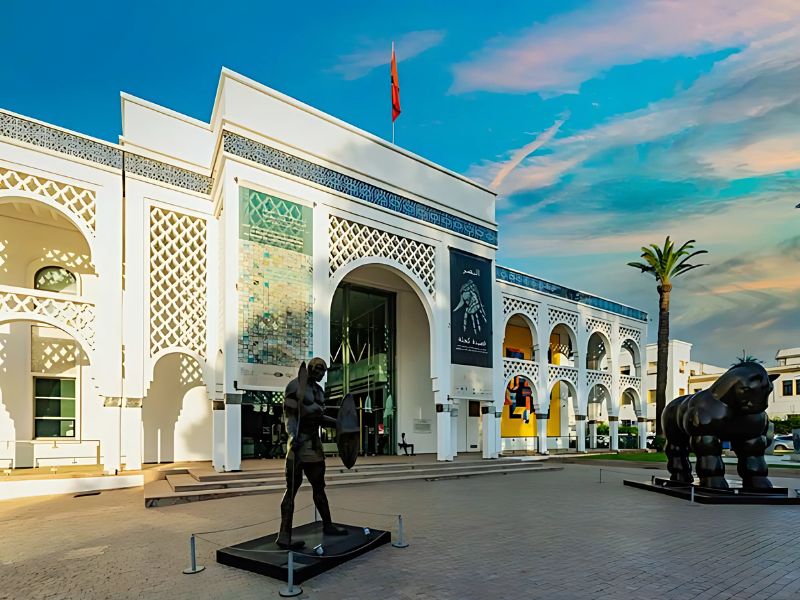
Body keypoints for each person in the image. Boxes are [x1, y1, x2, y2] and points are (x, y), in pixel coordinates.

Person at [276, 358, 347, 550]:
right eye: (318, 369)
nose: (320, 373)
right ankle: (284, 536)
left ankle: (328, 525)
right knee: (292, 489)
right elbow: (289, 414)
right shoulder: (295, 386)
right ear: (309, 368)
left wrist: (339, 423)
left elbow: (319, 417)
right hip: (298, 444)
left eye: (323, 370)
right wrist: (292, 436)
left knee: (319, 487)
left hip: (314, 445)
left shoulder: (319, 391)